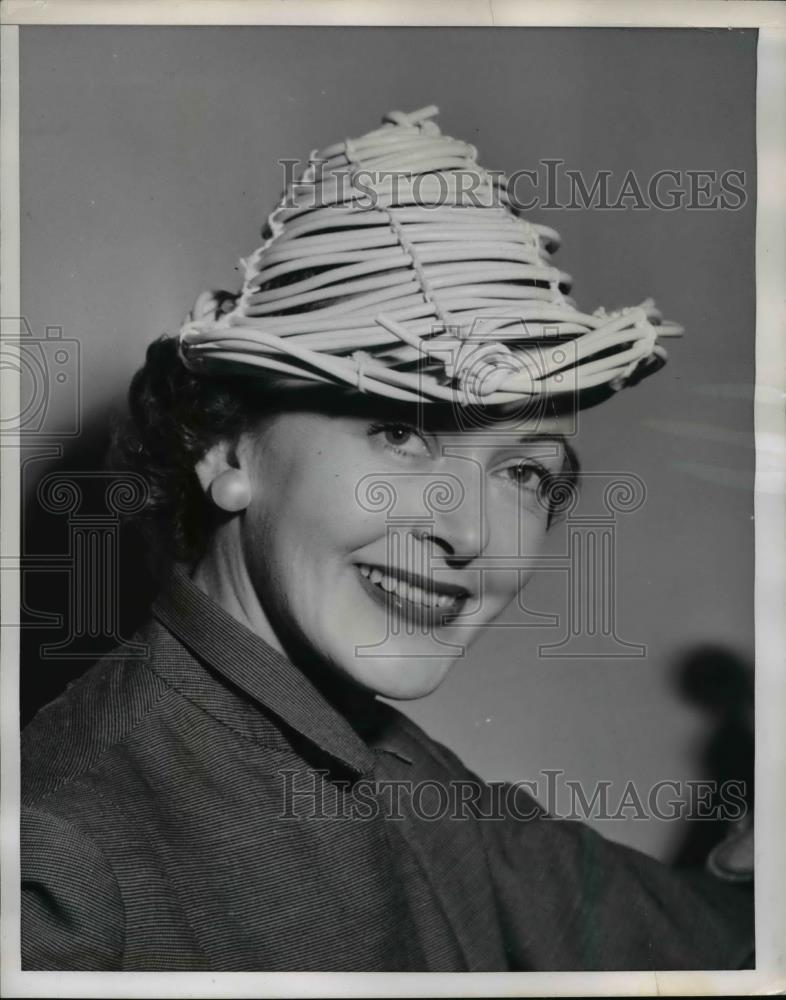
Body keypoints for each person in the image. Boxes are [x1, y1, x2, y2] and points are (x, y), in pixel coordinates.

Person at [21, 106, 753, 971]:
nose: (471, 532)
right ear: (227, 445)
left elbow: (700, 937)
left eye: (525, 473)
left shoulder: (391, 769)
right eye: (403, 433)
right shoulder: (62, 868)